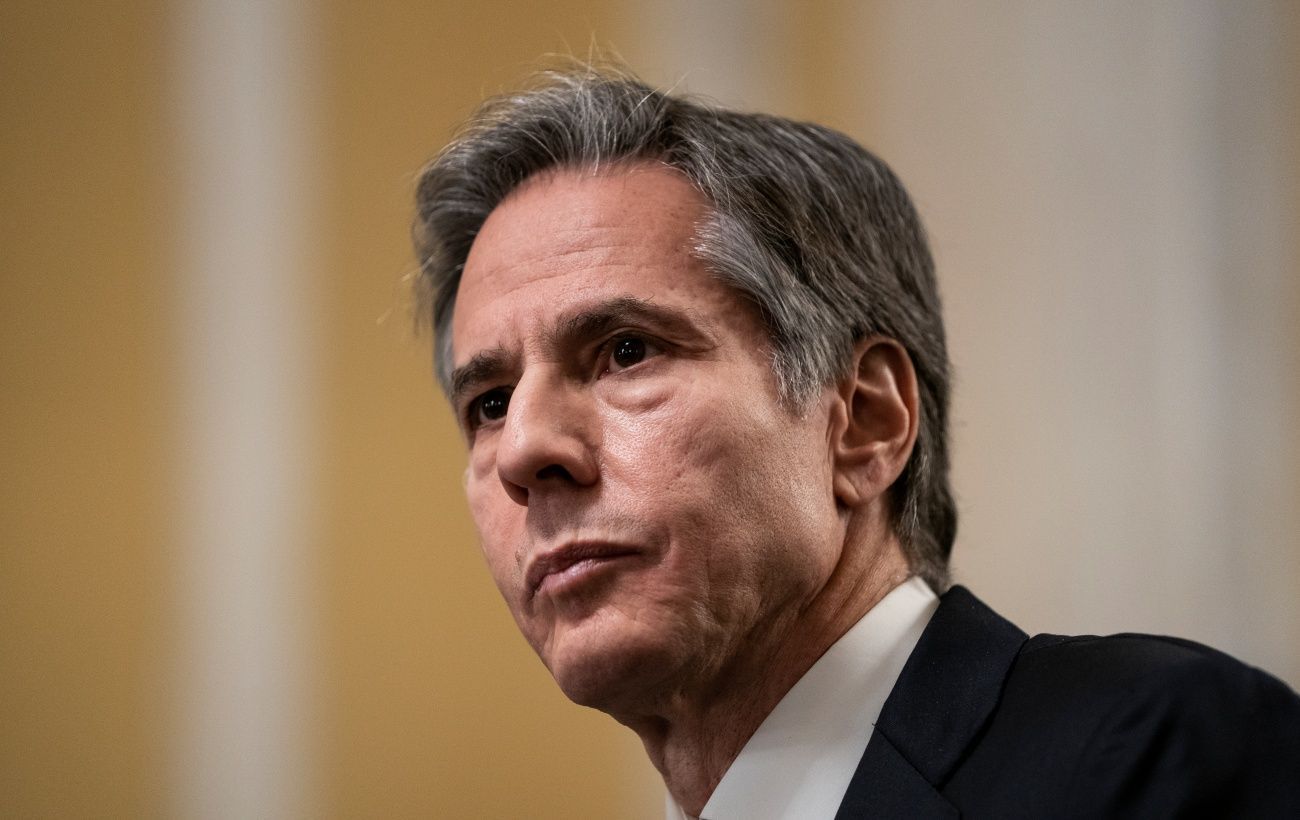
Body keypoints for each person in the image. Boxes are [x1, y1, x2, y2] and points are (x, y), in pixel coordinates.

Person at [412, 66, 1300, 819]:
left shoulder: (1147, 754)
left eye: (627, 351)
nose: (524, 449)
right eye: (489, 403)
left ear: (865, 422)